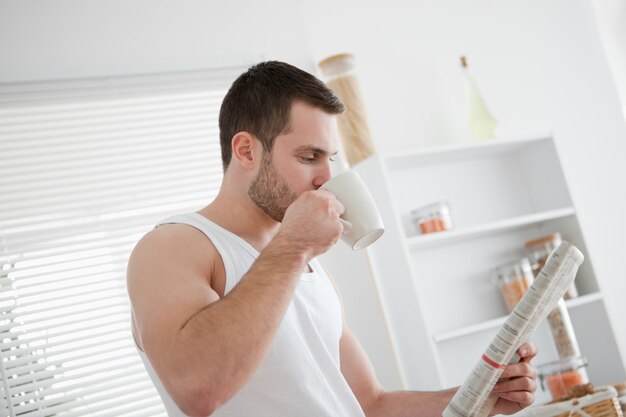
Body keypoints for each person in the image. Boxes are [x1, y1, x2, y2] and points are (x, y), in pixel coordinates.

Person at [126, 61, 538, 417]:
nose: (326, 178)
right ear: (247, 151)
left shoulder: (308, 266)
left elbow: (371, 404)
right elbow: (197, 389)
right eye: (309, 157)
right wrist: (294, 246)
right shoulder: (173, 247)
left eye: (330, 159)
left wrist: (482, 397)